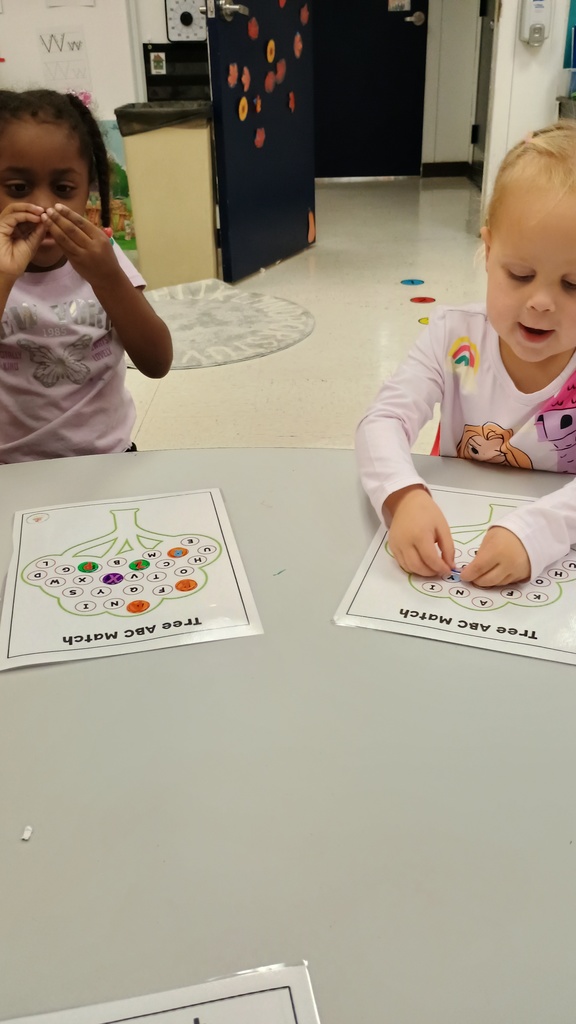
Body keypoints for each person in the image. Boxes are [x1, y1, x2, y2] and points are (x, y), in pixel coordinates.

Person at [356, 120, 576, 587]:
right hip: (455, 532)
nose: (541, 302)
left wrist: (538, 533)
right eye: (520, 275)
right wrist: (403, 495)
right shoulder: (457, 339)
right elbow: (383, 421)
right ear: (488, 251)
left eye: (573, 284)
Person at [0, 88, 172, 462]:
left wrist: (108, 278)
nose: (43, 207)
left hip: (108, 459)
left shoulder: (102, 260)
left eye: (63, 189)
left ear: (87, 192)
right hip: (12, 469)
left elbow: (157, 362)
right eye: (18, 188)